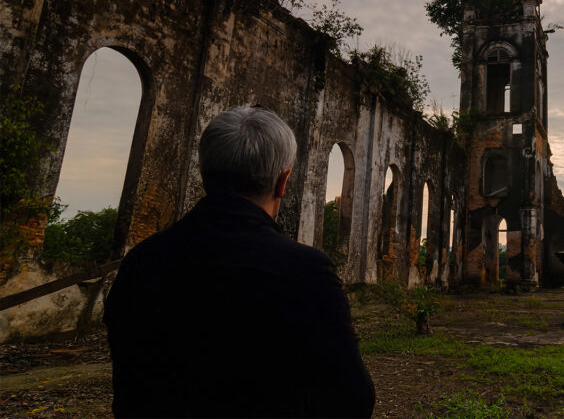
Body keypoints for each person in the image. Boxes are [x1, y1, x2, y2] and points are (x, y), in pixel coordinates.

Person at [104, 105, 374, 418]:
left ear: (205, 172)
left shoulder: (141, 262)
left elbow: (130, 388)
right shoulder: (307, 272)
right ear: (282, 182)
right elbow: (353, 398)